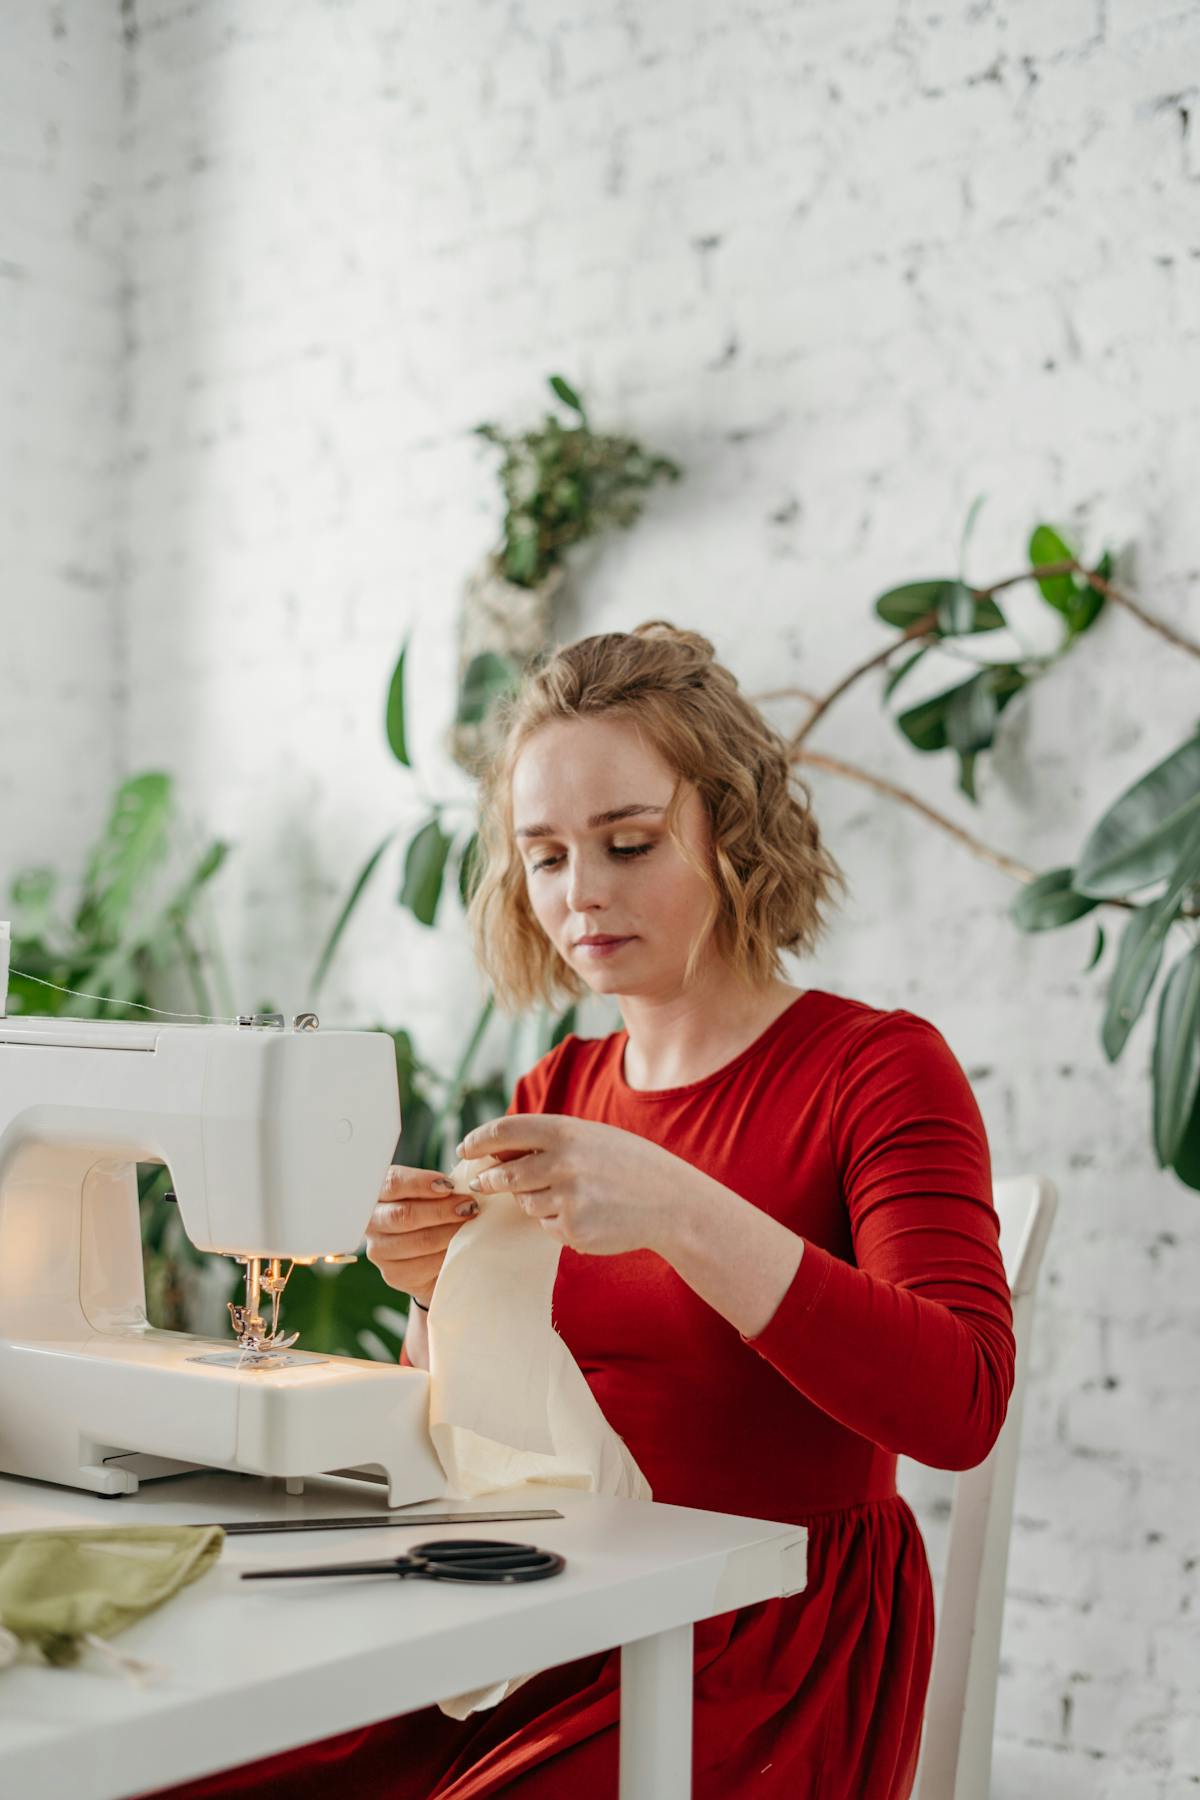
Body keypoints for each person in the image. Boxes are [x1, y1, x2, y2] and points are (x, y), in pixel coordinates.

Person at [160, 622, 1014, 1800]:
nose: (581, 895)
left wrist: (672, 1202)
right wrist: (438, 1292)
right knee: (202, 1763)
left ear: (730, 826)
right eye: (547, 856)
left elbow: (961, 1405)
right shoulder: (557, 1090)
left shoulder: (877, 1069)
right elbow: (505, 1432)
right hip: (551, 1598)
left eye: (627, 843)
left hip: (762, 1636)